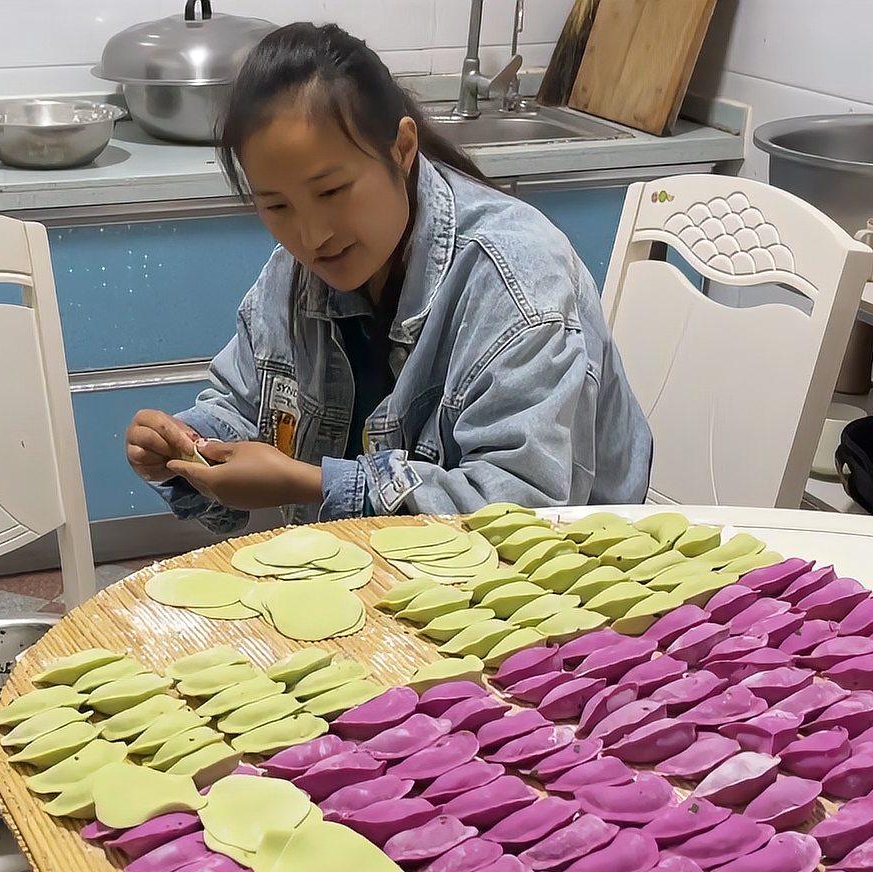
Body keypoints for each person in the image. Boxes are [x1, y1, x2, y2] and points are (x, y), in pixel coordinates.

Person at [124, 22, 653, 534]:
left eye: (331, 192)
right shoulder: (296, 272)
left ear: (402, 150)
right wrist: (188, 444)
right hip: (387, 569)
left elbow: (520, 508)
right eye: (277, 205)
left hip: (566, 586)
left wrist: (311, 484)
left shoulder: (514, 278)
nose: (311, 236)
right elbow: (246, 398)